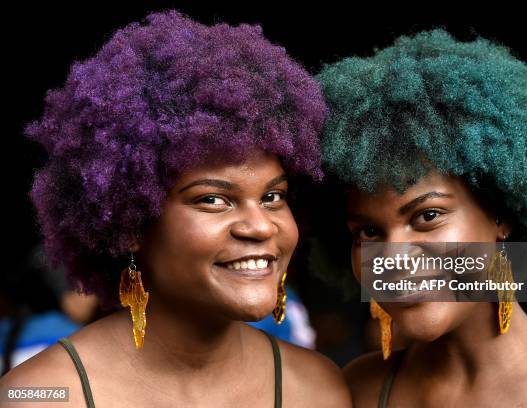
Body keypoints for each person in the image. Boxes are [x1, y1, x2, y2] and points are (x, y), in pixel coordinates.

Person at [1, 11, 350, 407]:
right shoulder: (41, 396)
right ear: (129, 223)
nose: (260, 227)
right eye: (213, 200)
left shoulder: (318, 389)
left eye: (273, 197)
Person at [316, 29, 527, 407]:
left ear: (501, 213)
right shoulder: (354, 391)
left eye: (428, 216)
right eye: (369, 231)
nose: (393, 258)